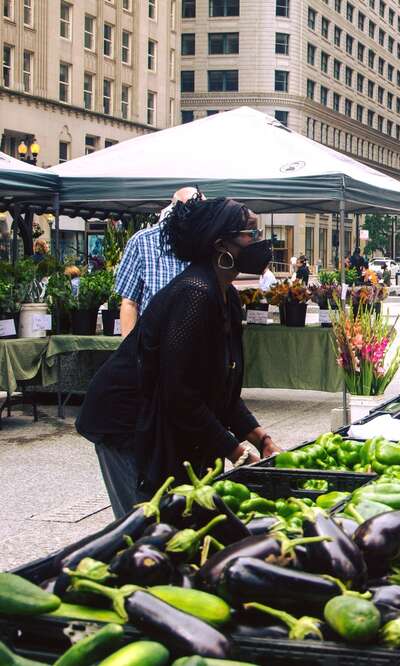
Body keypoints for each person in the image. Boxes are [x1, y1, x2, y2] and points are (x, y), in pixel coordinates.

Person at [77, 197, 283, 518]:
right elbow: (180, 393)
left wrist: (261, 438)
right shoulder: (195, 293)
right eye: (250, 234)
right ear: (222, 245)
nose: (260, 243)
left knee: (173, 518)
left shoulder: (225, 294)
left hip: (160, 412)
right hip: (127, 420)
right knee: (146, 526)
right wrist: (235, 451)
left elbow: (219, 387)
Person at [116, 187, 203, 337]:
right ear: (175, 212)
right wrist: (129, 353)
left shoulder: (206, 243)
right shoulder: (142, 242)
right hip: (153, 345)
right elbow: (129, 303)